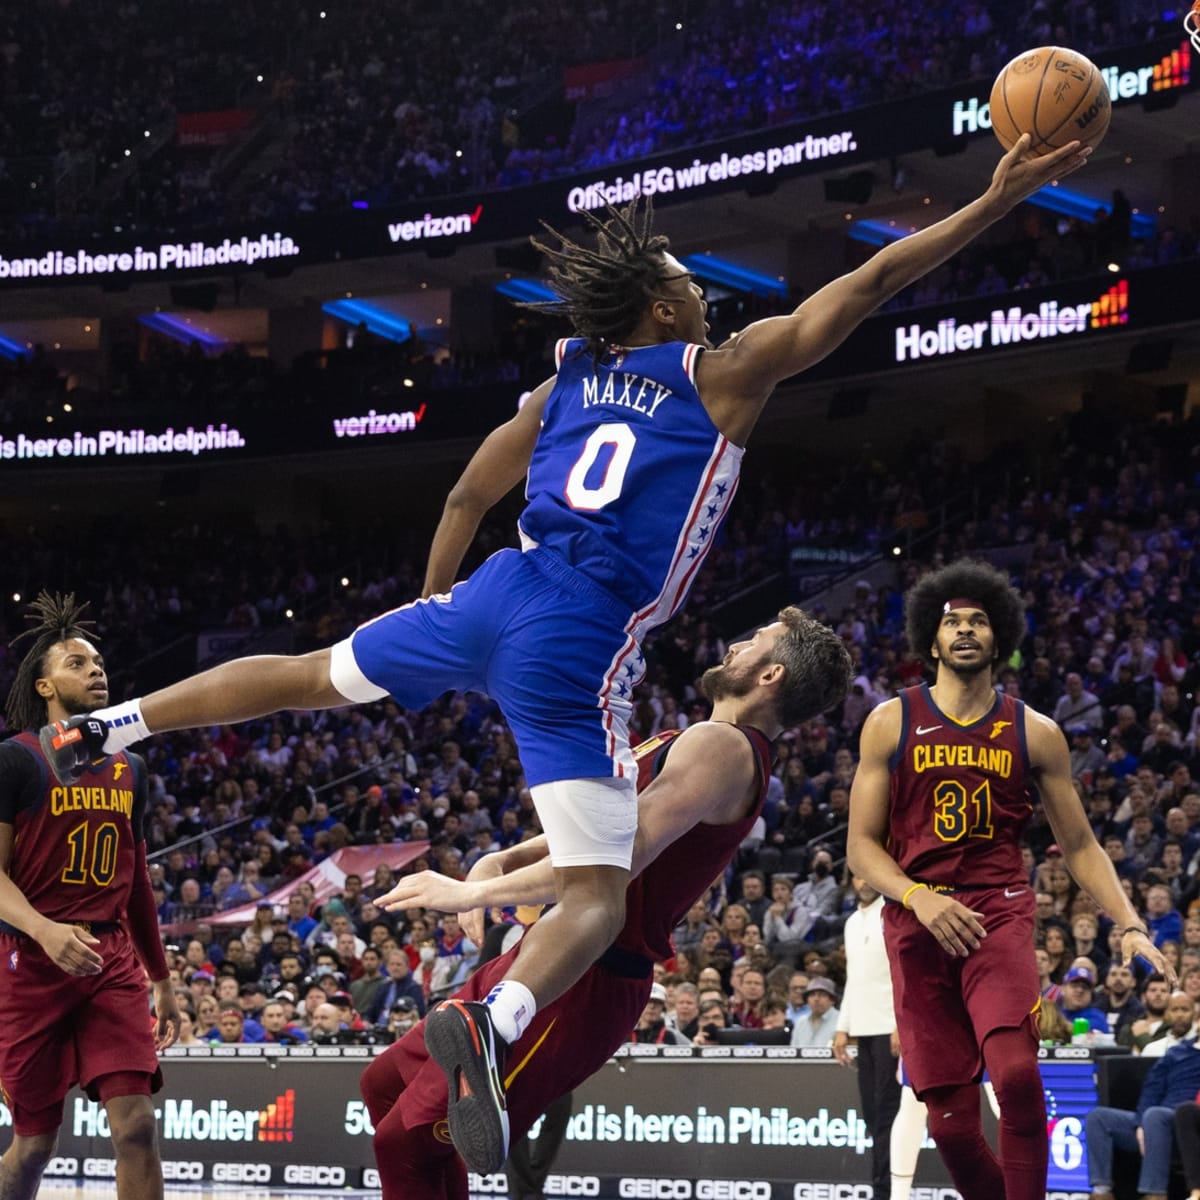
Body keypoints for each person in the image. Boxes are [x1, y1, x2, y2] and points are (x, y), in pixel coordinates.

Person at [40, 134, 1089, 1171]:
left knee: (313, 675)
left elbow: (465, 494)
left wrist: (434, 614)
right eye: (690, 283)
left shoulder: (569, 378)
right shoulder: (721, 372)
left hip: (493, 587)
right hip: (580, 631)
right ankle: (494, 1025)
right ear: (669, 311)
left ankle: (114, 721)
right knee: (592, 895)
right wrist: (995, 197)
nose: (704, 294)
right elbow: (867, 284)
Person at [354, 608, 851, 1198]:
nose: (736, 641)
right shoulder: (688, 741)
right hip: (552, 955)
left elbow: (616, 856)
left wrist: (475, 891)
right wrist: (501, 860)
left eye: (755, 640)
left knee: (408, 1142)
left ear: (770, 675)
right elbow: (594, 828)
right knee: (383, 1089)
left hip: (588, 976)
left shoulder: (723, 747)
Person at [847, 561, 1172, 1200]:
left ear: (1001, 639)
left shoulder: (1036, 731)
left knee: (1019, 1076)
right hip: (918, 921)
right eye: (952, 622)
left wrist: (1129, 924)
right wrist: (918, 896)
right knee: (950, 1127)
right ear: (930, 640)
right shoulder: (891, 720)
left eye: (979, 621)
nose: (965, 630)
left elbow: (1078, 845)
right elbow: (861, 847)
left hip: (998, 911)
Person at [0, 593, 179, 1200]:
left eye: (98, 662)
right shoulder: (15, 760)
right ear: (46, 685)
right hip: (30, 960)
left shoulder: (132, 769)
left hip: (110, 961)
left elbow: (138, 882)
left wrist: (162, 978)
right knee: (32, 1150)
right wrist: (46, 929)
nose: (95, 670)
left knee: (136, 1128)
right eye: (77, 663)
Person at [833, 874, 902, 1200]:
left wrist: (902, 1024)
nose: (864, 881)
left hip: (890, 1029)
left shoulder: (893, 915)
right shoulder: (850, 923)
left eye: (868, 874)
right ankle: (882, 1186)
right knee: (872, 1115)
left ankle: (885, 1191)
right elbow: (853, 979)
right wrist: (841, 1027)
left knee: (888, 1114)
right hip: (862, 1028)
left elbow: (903, 974)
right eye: (857, 875)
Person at [1085, 1031, 1200, 1200]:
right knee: (1099, 1117)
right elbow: (1151, 1089)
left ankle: (1155, 1193)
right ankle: (1102, 1191)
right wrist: (1140, 1123)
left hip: (1187, 1123)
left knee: (1156, 1115)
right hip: (1154, 1120)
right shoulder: (1176, 1052)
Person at [789, 976, 840, 1048]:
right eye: (812, 995)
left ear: (832, 1000)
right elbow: (793, 1051)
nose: (816, 999)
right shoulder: (801, 1022)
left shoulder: (841, 1021)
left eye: (822, 995)